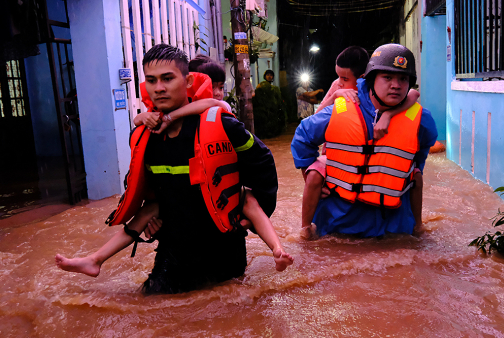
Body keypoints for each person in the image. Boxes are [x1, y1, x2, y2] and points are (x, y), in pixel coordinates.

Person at [56, 44, 292, 294]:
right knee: (151, 309)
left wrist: (252, 216)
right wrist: (151, 221)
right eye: (151, 80)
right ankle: (95, 260)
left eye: (168, 78)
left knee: (227, 311)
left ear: (188, 80)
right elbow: (143, 190)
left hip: (224, 251)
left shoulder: (223, 126)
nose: (159, 87)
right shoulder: (143, 136)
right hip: (173, 252)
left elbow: (263, 164)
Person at [291, 44, 437, 238]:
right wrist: (308, 173)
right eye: (387, 77)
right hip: (338, 223)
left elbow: (421, 153)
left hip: (394, 226)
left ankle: (418, 226)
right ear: (371, 79)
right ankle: (305, 229)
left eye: (403, 79)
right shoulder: (341, 109)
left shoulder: (421, 120)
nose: (396, 85)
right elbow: (302, 136)